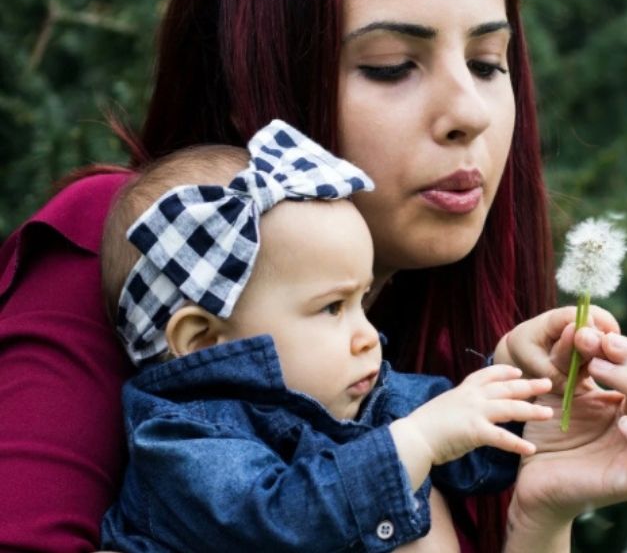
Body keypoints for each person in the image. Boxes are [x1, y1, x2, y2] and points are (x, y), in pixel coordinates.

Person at [0, 0, 627, 551]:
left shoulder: (401, 343)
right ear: (257, 80)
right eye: (393, 65)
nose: (471, 113)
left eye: (488, 61)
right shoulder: (144, 245)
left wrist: (544, 512)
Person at [99, 121, 557, 550]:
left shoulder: (367, 398)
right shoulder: (179, 442)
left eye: (362, 302)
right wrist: (415, 442)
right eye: (333, 307)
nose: (368, 337)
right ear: (202, 341)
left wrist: (537, 396)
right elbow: (279, 521)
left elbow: (466, 439)